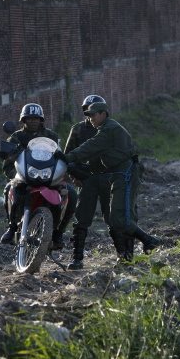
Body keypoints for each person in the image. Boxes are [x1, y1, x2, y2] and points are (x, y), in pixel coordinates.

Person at [62, 101, 160, 262]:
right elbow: (94, 157)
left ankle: (145, 243)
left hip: (126, 174)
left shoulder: (110, 129)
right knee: (115, 218)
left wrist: (67, 158)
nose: (91, 118)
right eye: (88, 115)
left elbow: (90, 147)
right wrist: (76, 170)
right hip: (116, 175)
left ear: (103, 113)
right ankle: (146, 241)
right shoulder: (101, 129)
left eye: (93, 114)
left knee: (122, 218)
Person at [0, 103, 77, 250]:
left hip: (49, 177)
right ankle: (12, 226)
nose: (33, 121)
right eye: (29, 118)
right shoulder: (16, 137)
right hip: (24, 176)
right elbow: (7, 163)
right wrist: (15, 175)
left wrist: (62, 171)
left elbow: (59, 157)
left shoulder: (51, 136)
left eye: (36, 118)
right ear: (23, 120)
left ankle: (58, 233)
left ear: (41, 120)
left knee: (71, 194)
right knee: (9, 188)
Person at [63, 94, 112, 269]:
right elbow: (67, 156)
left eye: (95, 111)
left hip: (108, 179)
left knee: (114, 217)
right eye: (88, 111)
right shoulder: (77, 130)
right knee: (81, 220)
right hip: (87, 180)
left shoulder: (111, 128)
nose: (91, 115)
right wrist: (75, 175)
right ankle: (77, 257)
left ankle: (125, 254)